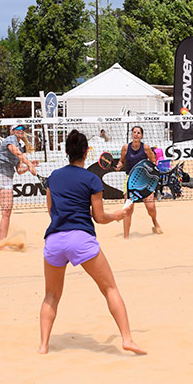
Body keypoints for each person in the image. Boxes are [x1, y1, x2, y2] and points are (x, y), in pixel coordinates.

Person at [38, 129, 145, 355]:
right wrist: (118, 215)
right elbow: (99, 217)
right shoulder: (91, 179)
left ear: (66, 151)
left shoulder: (54, 177)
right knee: (109, 288)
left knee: (51, 295)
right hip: (81, 238)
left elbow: (50, 211)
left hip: (54, 240)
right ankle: (127, 339)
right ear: (87, 152)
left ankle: (43, 345)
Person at [116, 125, 163, 238]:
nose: (136, 134)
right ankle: (126, 236)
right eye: (134, 132)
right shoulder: (126, 148)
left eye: (138, 133)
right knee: (128, 208)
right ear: (131, 135)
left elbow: (153, 162)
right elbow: (122, 161)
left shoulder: (146, 148)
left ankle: (155, 222)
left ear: (141, 136)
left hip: (145, 179)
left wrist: (152, 176)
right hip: (130, 179)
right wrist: (118, 166)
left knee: (150, 207)